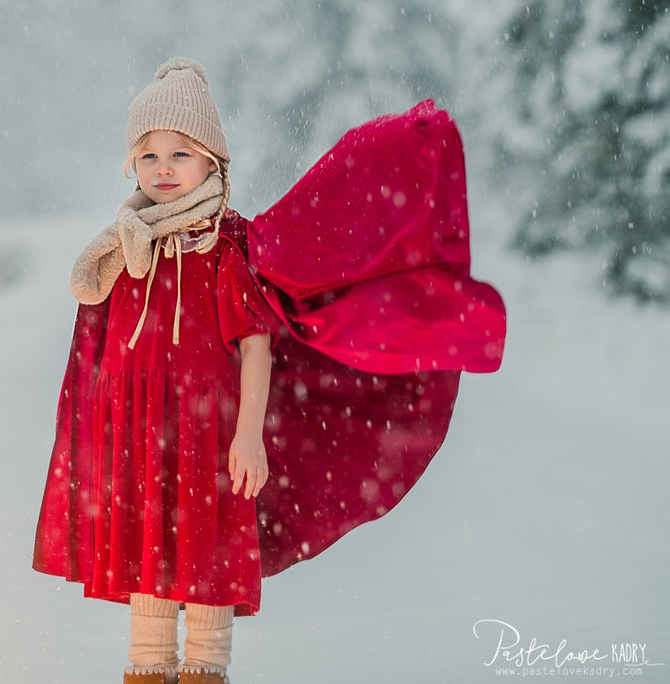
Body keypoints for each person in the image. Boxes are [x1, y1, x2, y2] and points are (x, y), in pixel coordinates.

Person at [33, 57, 506, 684]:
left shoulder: (224, 249)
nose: (164, 169)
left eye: (181, 153)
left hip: (210, 442)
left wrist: (248, 434)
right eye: (148, 156)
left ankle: (204, 672)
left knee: (203, 567)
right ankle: (147, 672)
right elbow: (100, 356)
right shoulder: (123, 251)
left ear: (212, 163)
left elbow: (256, 347)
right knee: (146, 569)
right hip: (146, 439)